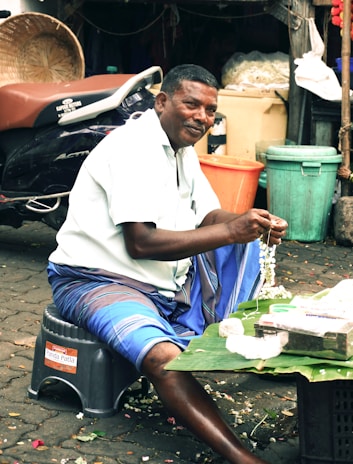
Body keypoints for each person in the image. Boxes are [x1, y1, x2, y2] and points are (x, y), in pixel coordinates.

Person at [47, 64, 288, 464]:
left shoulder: (181, 150)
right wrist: (233, 231)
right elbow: (141, 243)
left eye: (210, 110)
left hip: (158, 284)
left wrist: (255, 222)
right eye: (191, 104)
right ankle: (241, 457)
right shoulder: (131, 148)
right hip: (93, 279)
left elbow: (210, 218)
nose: (202, 117)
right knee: (163, 358)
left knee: (244, 241)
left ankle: (199, 332)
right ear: (162, 101)